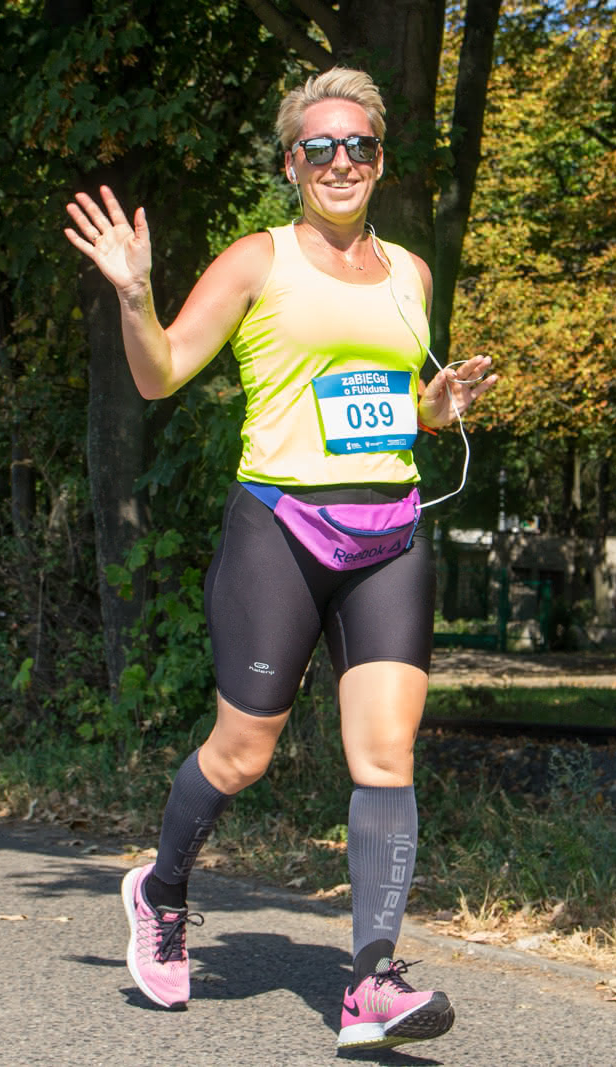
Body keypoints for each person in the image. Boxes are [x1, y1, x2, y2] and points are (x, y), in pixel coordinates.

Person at [63, 66, 497, 1052]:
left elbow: (396, 407)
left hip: (389, 532)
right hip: (282, 530)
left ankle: (371, 982)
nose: (340, 162)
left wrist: (438, 408)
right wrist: (135, 296)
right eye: (319, 148)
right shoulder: (257, 260)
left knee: (385, 753)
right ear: (292, 161)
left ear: (380, 159)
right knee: (242, 753)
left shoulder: (412, 275)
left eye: (359, 147)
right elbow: (161, 369)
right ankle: (162, 886)